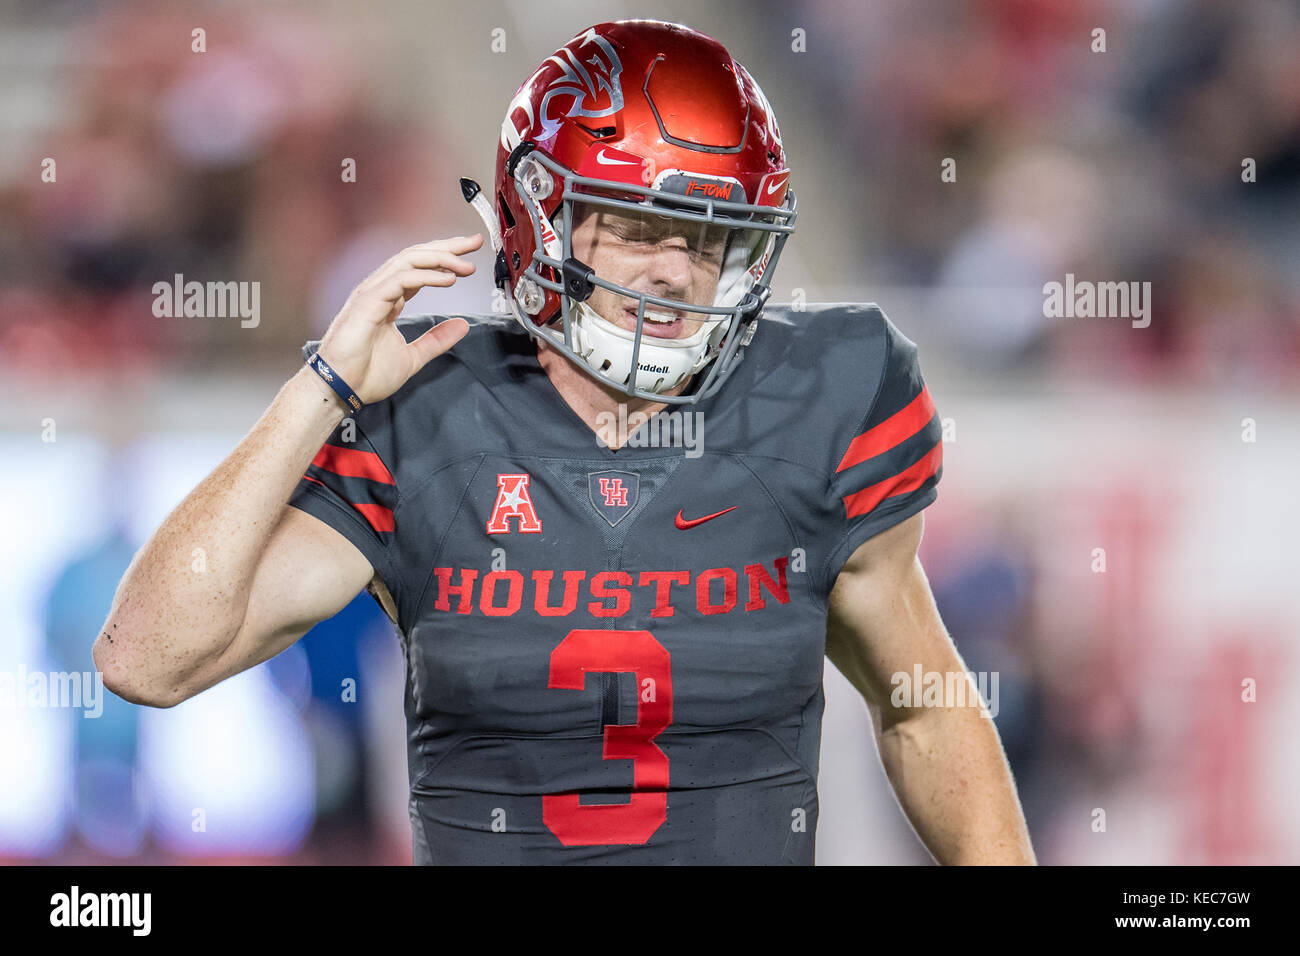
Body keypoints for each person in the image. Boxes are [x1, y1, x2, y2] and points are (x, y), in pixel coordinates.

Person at [95, 19, 1035, 865]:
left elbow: (920, 704)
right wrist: (322, 386)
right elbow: (146, 660)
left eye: (709, 242)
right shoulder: (423, 412)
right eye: (638, 228)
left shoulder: (817, 396)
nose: (675, 271)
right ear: (538, 220)